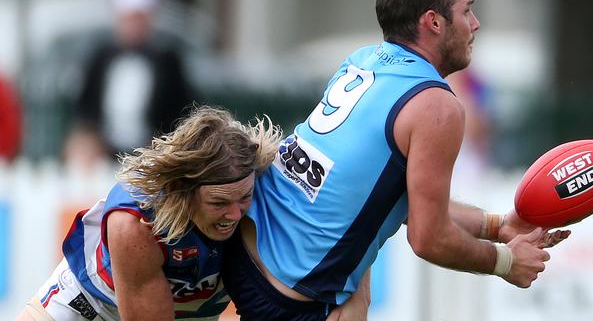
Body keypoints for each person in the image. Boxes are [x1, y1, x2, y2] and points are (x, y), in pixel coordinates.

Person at [221, 0, 570, 320]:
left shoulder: (363, 61)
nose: (475, 23)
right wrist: (506, 262)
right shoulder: (437, 106)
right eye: (467, 11)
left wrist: (499, 227)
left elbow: (378, 195)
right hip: (290, 298)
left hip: (244, 252)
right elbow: (428, 238)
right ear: (434, 22)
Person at [17, 106, 370, 321]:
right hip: (86, 305)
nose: (234, 215)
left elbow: (351, 212)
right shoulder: (136, 225)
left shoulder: (269, 186)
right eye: (219, 203)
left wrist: (359, 298)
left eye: (242, 198)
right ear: (185, 193)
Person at [71, 0, 194, 160]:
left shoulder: (168, 61)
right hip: (104, 155)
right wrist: (88, 137)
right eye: (128, 18)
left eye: (139, 17)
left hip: (154, 156)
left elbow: (183, 113)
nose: (133, 25)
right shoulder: (100, 58)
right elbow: (85, 108)